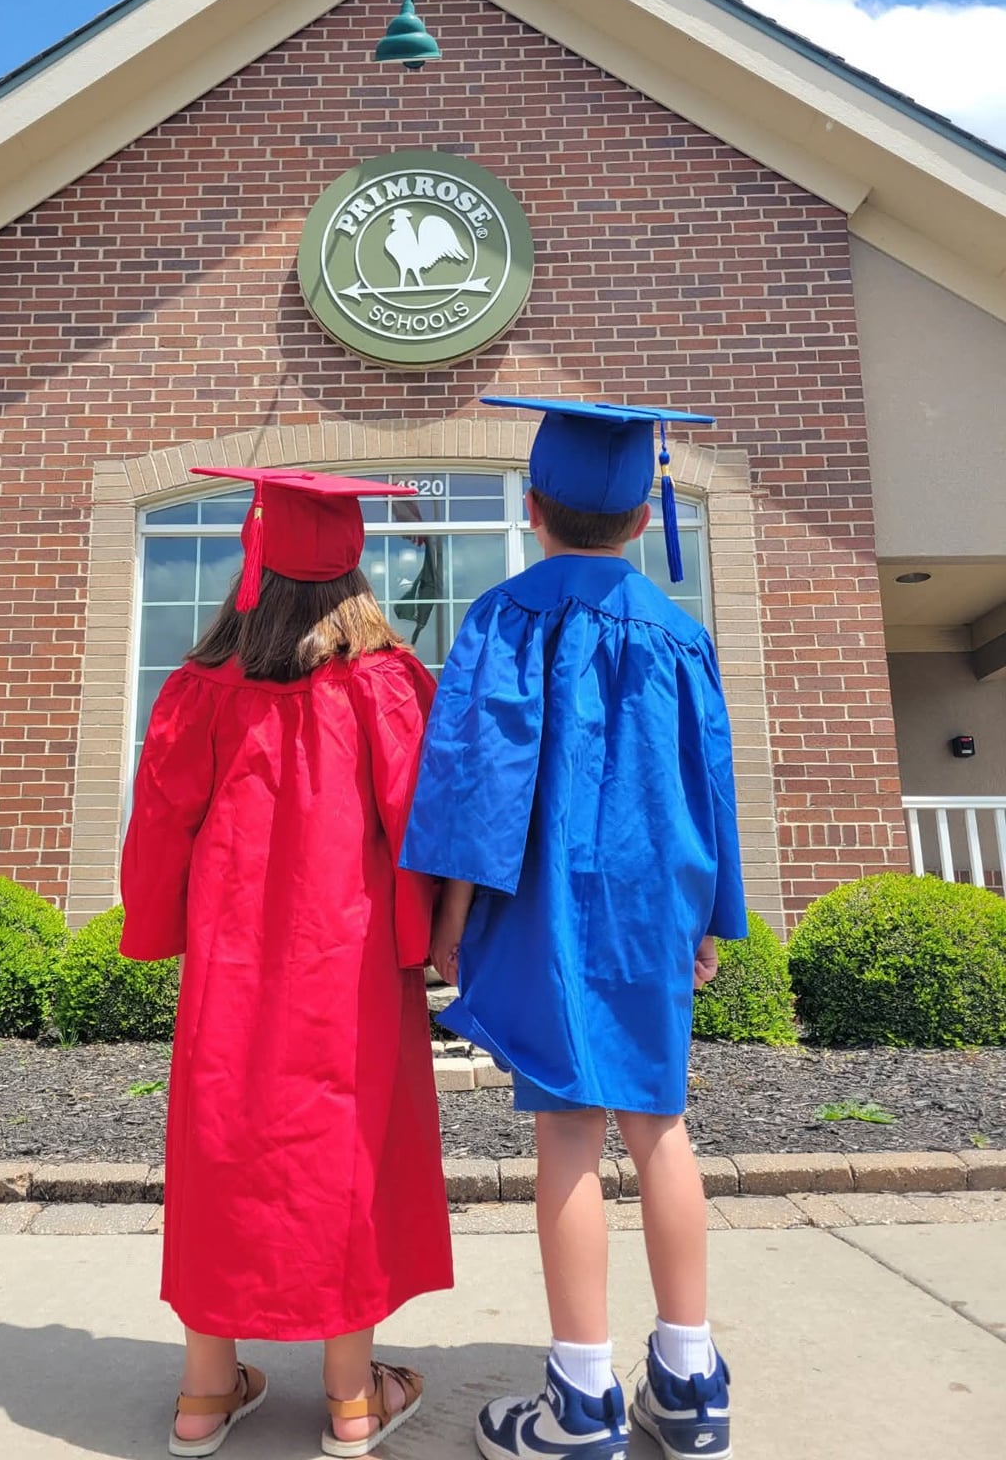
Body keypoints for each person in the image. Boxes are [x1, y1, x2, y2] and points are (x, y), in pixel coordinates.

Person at [401, 398, 747, 1460]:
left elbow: (478, 783)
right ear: (647, 518)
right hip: (652, 908)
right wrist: (716, 914)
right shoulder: (682, 634)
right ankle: (689, 1381)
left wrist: (450, 916)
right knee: (661, 1124)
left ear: (531, 508)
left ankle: (582, 1399)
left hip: (546, 907)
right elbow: (711, 784)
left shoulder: (505, 617)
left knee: (568, 1135)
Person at [120, 466, 453, 1459]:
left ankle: (205, 1391)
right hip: (347, 972)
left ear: (254, 563)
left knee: (220, 1147)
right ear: (354, 570)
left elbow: (157, 832)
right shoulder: (387, 684)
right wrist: (432, 940)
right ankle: (352, 1403)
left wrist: (155, 925)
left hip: (231, 969)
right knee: (345, 1156)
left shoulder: (196, 688)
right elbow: (424, 830)